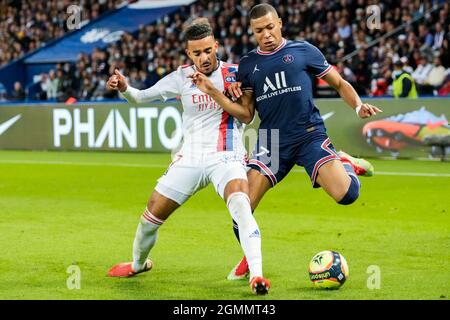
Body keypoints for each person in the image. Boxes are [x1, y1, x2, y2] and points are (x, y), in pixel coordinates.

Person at [189, 4, 382, 280]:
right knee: (240, 208)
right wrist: (226, 96)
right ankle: (249, 256)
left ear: (279, 23)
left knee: (348, 196)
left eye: (270, 27)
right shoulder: (247, 65)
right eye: (259, 31)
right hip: (271, 139)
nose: (266, 34)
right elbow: (246, 113)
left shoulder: (304, 51)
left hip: (308, 133)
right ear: (252, 32)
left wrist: (358, 106)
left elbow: (339, 83)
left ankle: (347, 163)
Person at [105, 19, 270, 295]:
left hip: (226, 155)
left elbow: (246, 114)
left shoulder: (235, 73)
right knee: (150, 216)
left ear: (216, 45)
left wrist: (216, 91)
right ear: (188, 53)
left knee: (241, 204)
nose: (203, 58)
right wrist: (124, 87)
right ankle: (137, 263)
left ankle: (257, 276)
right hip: (191, 156)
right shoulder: (180, 78)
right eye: (197, 53)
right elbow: (141, 97)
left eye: (208, 50)